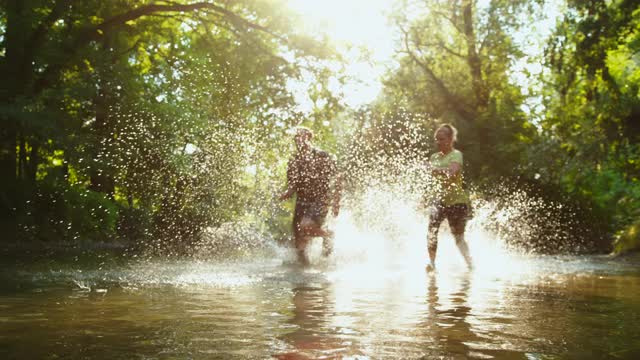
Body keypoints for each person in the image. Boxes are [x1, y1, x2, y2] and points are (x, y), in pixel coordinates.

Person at [279, 127, 341, 265]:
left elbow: (338, 178)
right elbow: (292, 184)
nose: (297, 139)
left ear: (308, 137)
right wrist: (287, 193)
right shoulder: (294, 160)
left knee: (306, 226)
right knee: (299, 246)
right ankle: (305, 277)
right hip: (302, 201)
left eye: (300, 136)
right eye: (295, 137)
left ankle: (328, 236)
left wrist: (337, 202)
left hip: (321, 199)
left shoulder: (322, 156)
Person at [425, 123, 473, 272]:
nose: (438, 142)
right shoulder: (434, 157)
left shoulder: (456, 155)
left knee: (458, 237)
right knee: (431, 231)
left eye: (442, 139)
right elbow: (432, 180)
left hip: (457, 201)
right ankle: (432, 264)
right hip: (438, 199)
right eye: (436, 139)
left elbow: (452, 172)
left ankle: (470, 265)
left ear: (451, 139)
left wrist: (433, 170)